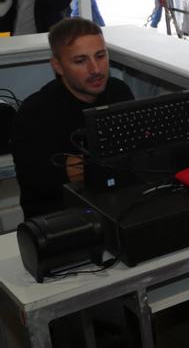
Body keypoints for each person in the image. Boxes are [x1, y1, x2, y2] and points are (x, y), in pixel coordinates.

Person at [11, 19, 133, 218]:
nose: (95, 69)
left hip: (120, 206)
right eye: (80, 61)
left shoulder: (119, 92)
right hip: (62, 222)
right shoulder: (34, 114)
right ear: (58, 66)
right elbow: (38, 185)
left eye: (100, 56)